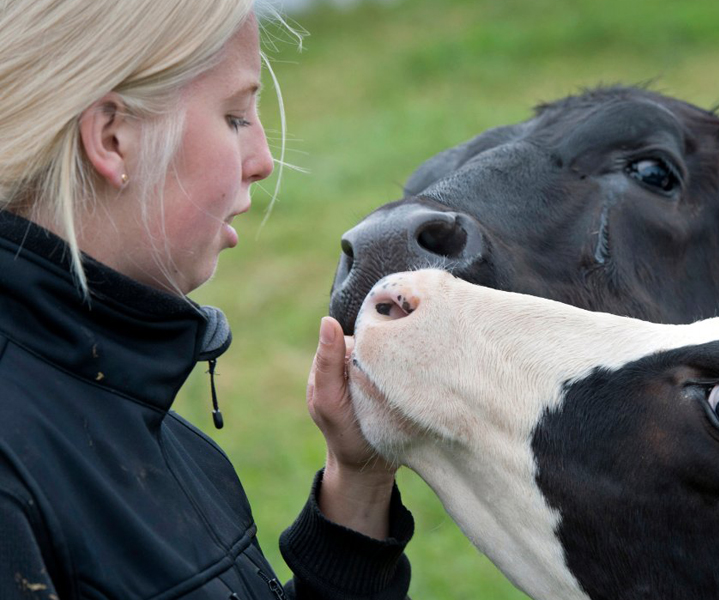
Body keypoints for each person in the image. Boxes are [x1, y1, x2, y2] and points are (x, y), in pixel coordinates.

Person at [0, 1, 412, 597]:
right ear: (113, 138)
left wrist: (358, 480)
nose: (264, 161)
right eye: (236, 116)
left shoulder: (128, 405)